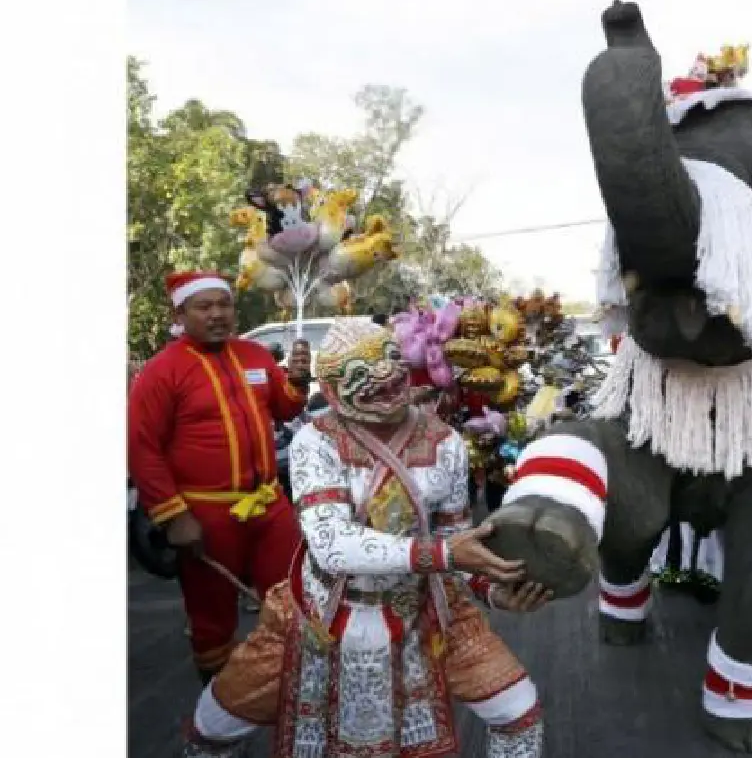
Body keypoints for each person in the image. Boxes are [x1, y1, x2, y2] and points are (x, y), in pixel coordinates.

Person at [178, 319, 553, 758]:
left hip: (427, 610)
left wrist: (493, 591)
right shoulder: (314, 442)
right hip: (319, 617)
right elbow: (332, 544)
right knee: (210, 728)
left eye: (393, 365)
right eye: (365, 374)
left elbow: (454, 533)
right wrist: (445, 552)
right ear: (332, 387)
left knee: (519, 715)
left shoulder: (445, 440)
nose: (387, 380)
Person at [128, 271, 311, 681]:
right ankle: (219, 722)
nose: (217, 314)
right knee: (212, 621)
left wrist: (297, 381)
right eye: (204, 306)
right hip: (205, 517)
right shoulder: (161, 371)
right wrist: (174, 516)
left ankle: (296, 699)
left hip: (270, 506)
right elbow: (142, 448)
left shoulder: (256, 355)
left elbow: (285, 409)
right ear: (180, 313)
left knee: (294, 598)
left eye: (223, 304)